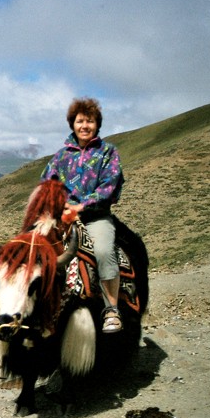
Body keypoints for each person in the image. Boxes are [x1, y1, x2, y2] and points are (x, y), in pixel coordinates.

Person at [41, 97, 124, 333]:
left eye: (90, 121)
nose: (85, 126)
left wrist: (81, 206)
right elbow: (46, 184)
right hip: (62, 218)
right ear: (72, 124)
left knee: (103, 251)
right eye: (80, 121)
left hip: (95, 217)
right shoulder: (61, 156)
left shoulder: (108, 152)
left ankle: (111, 309)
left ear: (97, 125)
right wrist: (55, 208)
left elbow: (109, 186)